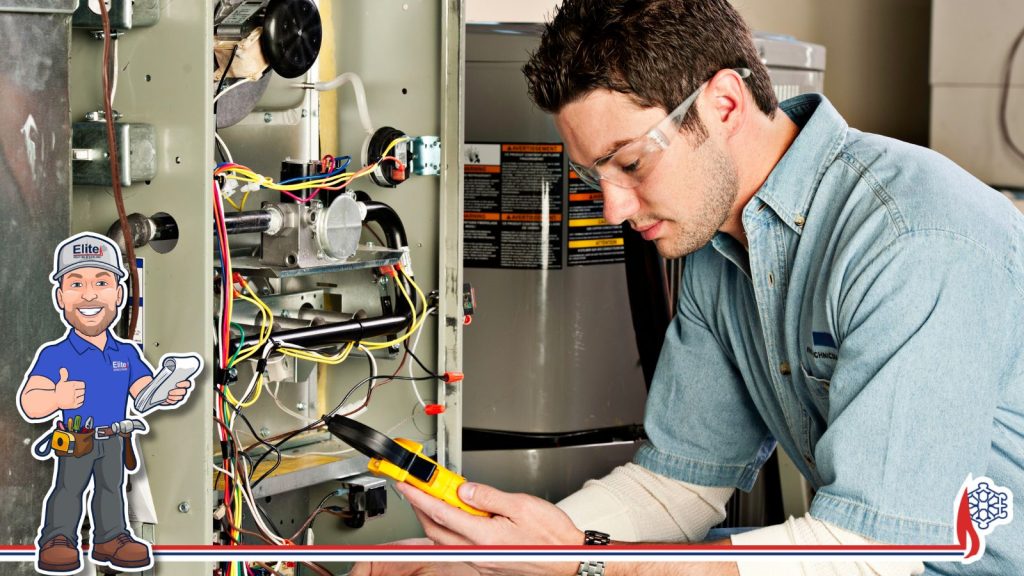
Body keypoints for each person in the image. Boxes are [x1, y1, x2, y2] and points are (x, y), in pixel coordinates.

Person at [354, 1, 1024, 575]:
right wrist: (500, 556)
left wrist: (577, 559)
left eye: (632, 163)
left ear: (724, 103)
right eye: (594, 177)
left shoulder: (911, 238)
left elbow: (868, 552)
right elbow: (679, 487)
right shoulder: (720, 244)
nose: (612, 210)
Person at [17, 232, 198, 575]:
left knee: (111, 489)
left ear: (118, 294)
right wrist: (57, 397)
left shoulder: (126, 354)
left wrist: (165, 390)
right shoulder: (56, 355)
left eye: (101, 282)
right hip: (76, 439)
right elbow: (30, 401)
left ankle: (111, 538)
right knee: (69, 490)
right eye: (76, 283)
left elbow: (142, 392)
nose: (89, 294)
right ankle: (58, 539)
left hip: (115, 438)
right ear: (61, 296)